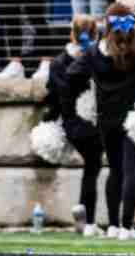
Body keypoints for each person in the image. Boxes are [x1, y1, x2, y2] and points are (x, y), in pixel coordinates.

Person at [92, 3, 135, 240]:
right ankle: (127, 227)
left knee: (115, 170)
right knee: (131, 171)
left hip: (107, 118)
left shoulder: (96, 52)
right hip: (134, 117)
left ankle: (113, 225)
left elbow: (73, 73)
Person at [42, 15, 105, 236]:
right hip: (91, 123)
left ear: (72, 34)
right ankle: (87, 218)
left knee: (91, 167)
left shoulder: (58, 62)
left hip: (71, 124)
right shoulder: (97, 57)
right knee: (92, 168)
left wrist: (49, 121)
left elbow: (53, 95)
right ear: (96, 34)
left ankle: (84, 213)